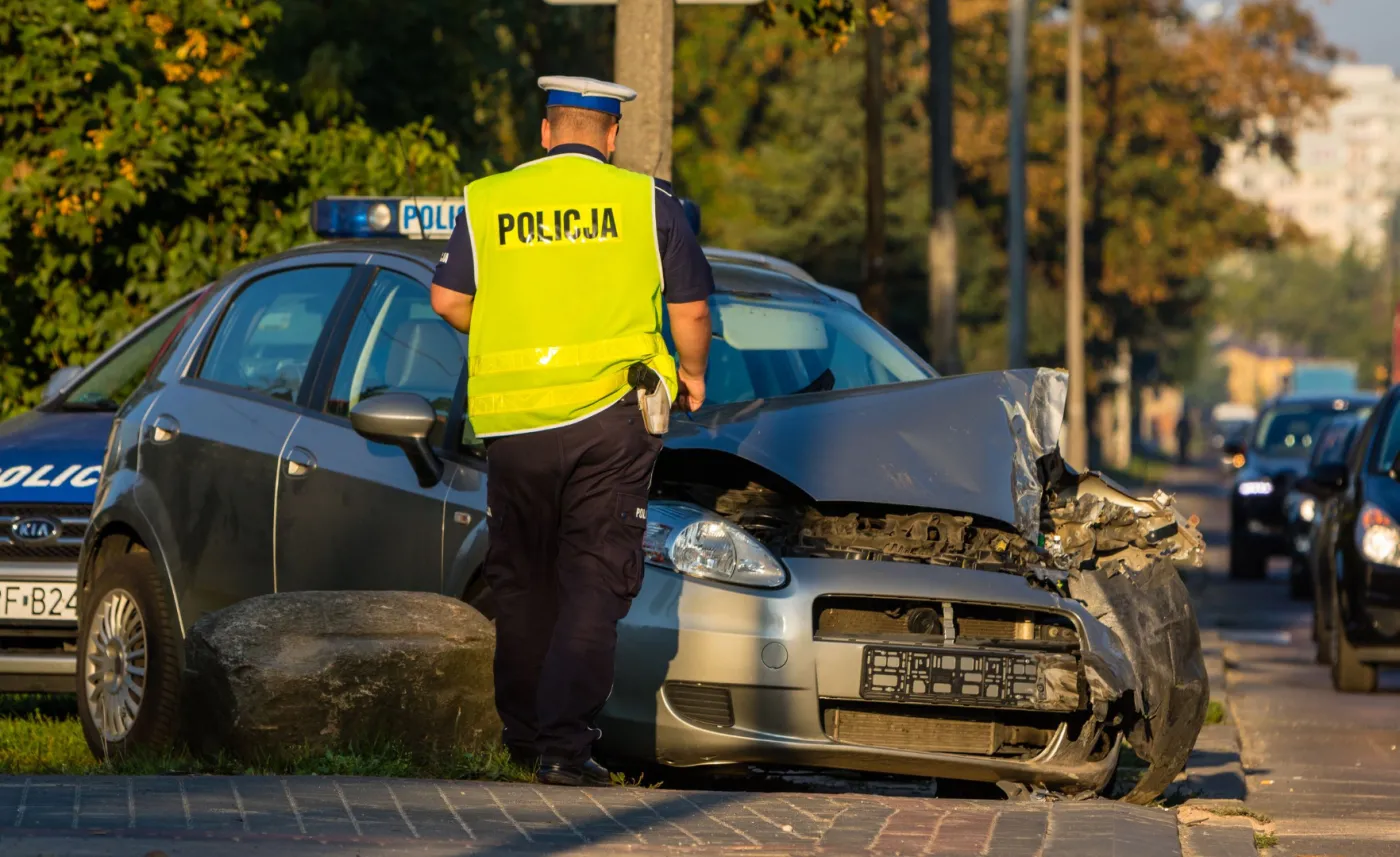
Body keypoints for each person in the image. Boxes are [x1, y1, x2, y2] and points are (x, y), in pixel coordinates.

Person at [429, 75, 714, 787]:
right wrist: (694, 374)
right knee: (594, 576)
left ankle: (523, 737)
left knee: (522, 580)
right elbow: (692, 313)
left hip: (513, 425)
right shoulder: (647, 203)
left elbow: (448, 298)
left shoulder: (489, 199)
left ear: (547, 131)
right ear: (612, 137)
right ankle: (563, 747)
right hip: (608, 422)